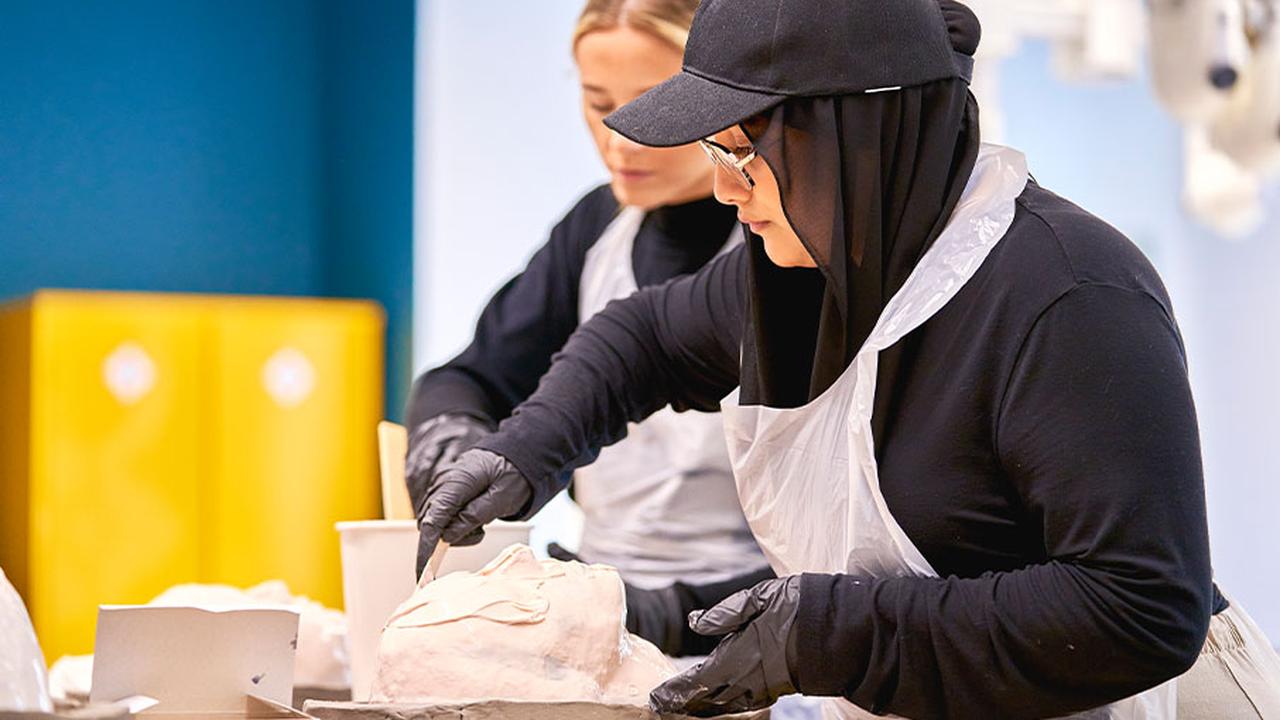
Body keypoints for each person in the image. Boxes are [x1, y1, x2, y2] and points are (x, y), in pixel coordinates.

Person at [413, 0, 1280, 718]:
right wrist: (524, 450)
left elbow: (1137, 608)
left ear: (854, 135)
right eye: (717, 151)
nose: (724, 188)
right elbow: (638, 338)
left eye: (744, 150)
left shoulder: (1069, 294)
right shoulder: (804, 270)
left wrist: (833, 632)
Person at [404, 0, 774, 658]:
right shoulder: (595, 229)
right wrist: (451, 430)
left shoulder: (787, 243)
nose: (619, 140)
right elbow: (473, 377)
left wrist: (668, 615)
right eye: (598, 101)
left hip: (762, 625)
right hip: (607, 617)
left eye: (655, 106)